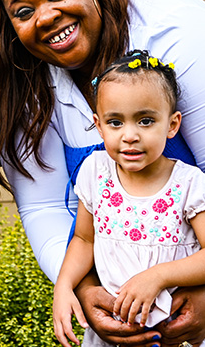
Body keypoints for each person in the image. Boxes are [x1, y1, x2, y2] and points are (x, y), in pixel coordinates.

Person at [0, 0, 205, 346]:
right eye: (23, 11)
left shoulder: (179, 31)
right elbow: (46, 207)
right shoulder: (28, 83)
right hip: (119, 315)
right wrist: (84, 289)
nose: (47, 16)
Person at [52, 50, 205, 347]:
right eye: (115, 122)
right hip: (110, 334)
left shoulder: (189, 184)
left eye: (146, 121)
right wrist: (64, 286)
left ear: (172, 125)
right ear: (99, 125)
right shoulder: (96, 172)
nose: (130, 135)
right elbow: (84, 241)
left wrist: (157, 277)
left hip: (173, 335)